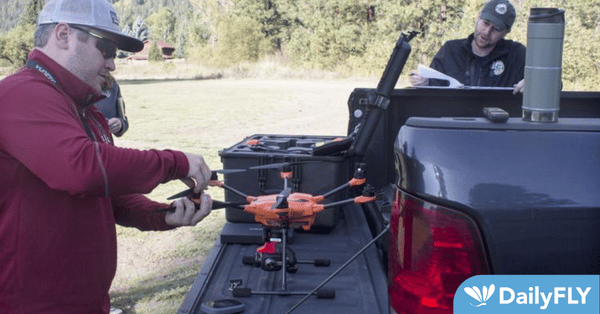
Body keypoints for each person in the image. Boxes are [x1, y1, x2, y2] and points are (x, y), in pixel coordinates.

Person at [0, 0, 213, 313]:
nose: (113, 64)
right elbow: (80, 169)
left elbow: (112, 197)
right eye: (107, 50)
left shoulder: (89, 112)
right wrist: (175, 161)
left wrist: (163, 214)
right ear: (62, 35)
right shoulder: (21, 94)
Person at [409, 0, 526, 94]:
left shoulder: (517, 55)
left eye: (496, 29)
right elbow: (434, 88)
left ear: (507, 32)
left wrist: (532, 84)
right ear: (478, 17)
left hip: (499, 122)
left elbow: (543, 81)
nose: (486, 32)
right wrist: (425, 83)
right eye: (485, 23)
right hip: (455, 121)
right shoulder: (450, 51)